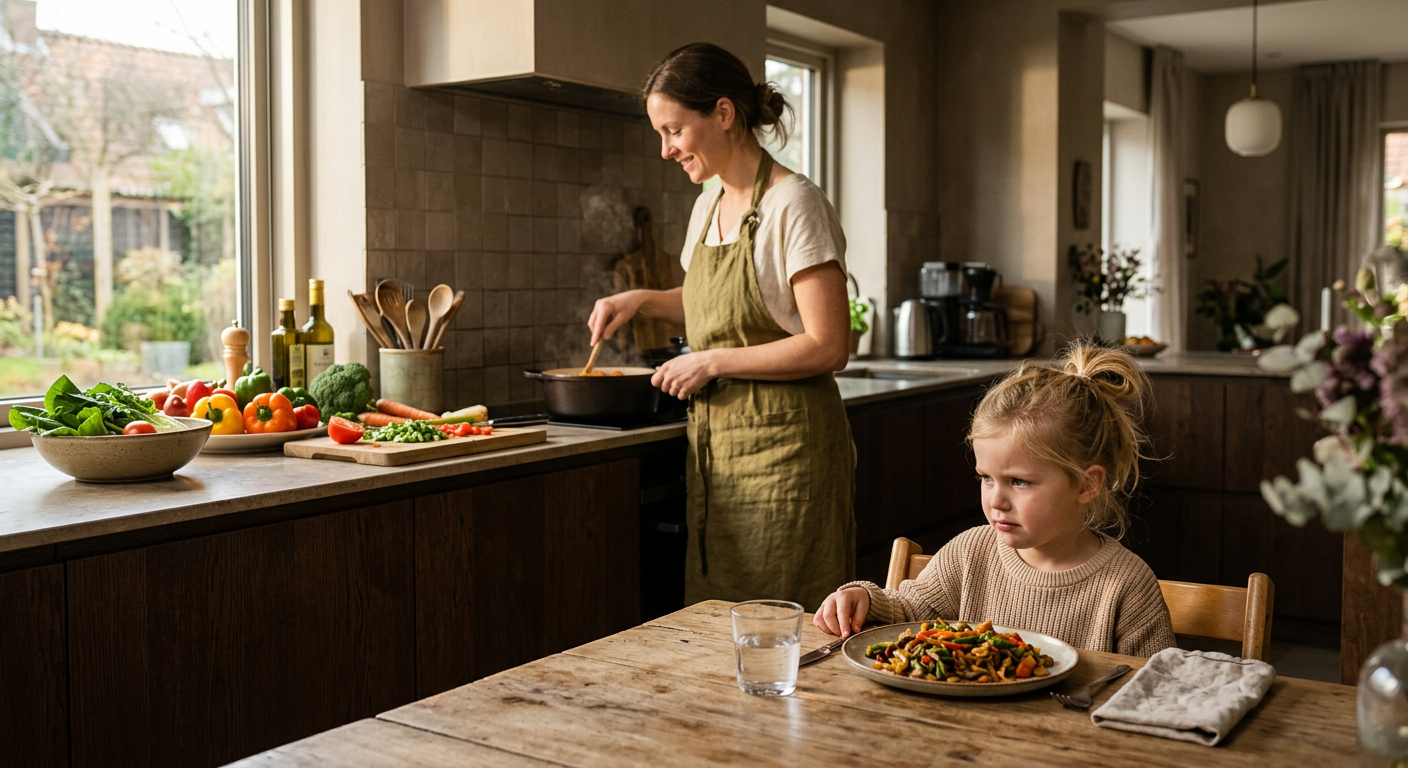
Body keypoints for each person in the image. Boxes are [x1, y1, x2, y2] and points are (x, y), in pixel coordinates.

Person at [587, 43, 854, 611]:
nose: (666, 150)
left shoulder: (794, 204)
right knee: (719, 628)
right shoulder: (707, 206)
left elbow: (830, 345)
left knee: (788, 628)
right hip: (719, 454)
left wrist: (711, 362)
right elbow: (710, 303)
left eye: (674, 130)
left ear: (725, 114)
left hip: (788, 457)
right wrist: (642, 301)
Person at [813, 344, 1176, 657]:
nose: (996, 500)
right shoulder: (970, 553)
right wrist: (864, 598)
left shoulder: (1128, 586)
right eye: (986, 478)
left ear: (1085, 484)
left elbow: (1153, 691)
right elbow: (908, 611)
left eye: (1019, 481)